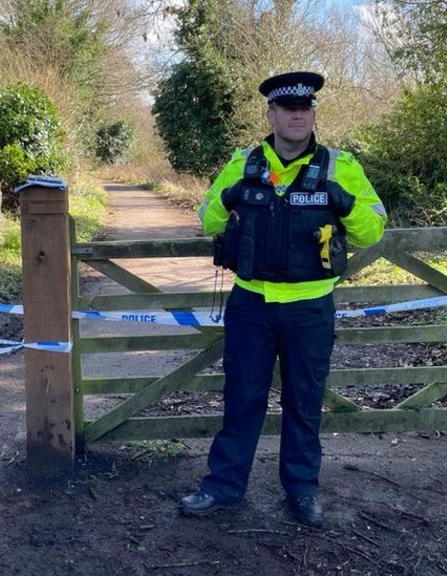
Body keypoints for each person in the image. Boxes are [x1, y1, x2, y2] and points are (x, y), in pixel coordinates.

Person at [181, 71, 387, 526]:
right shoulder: (244, 162)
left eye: (305, 109)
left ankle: (302, 490)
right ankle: (223, 487)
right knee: (242, 398)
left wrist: (345, 202)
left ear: (312, 114)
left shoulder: (341, 165)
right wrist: (228, 196)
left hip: (311, 306)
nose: (297, 116)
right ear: (271, 114)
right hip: (251, 304)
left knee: (304, 400)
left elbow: (374, 229)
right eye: (288, 109)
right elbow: (208, 221)